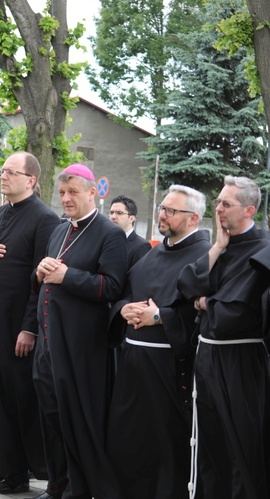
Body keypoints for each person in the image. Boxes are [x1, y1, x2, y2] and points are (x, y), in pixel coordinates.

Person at [107, 185, 211, 499]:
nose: (161, 214)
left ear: (193, 218)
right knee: (126, 442)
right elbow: (126, 291)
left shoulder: (205, 257)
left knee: (165, 446)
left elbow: (202, 310)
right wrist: (123, 309)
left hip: (170, 370)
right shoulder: (154, 251)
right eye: (161, 207)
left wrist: (160, 316)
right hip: (132, 366)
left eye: (170, 210)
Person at [0, 152, 59, 494]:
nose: (3, 176)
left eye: (10, 172)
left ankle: (19, 472)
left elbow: (42, 280)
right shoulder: (0, 212)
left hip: (15, 325)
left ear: (31, 180)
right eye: (2, 170)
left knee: (16, 398)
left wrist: (30, 327)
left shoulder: (44, 219)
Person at [33, 163, 127, 499]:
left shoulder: (109, 233)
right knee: (51, 416)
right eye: (62, 193)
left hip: (81, 346)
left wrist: (66, 276)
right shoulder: (60, 230)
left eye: (73, 192)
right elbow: (45, 279)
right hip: (49, 342)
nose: (66, 198)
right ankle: (56, 483)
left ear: (92, 193)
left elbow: (113, 287)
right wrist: (41, 271)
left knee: (76, 420)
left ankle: (80, 486)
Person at [177, 176, 270, 499]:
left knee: (240, 445)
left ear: (249, 210)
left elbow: (235, 313)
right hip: (208, 358)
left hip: (240, 362)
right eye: (217, 202)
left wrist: (206, 303)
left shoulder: (263, 249)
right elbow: (188, 285)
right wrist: (217, 247)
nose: (218, 209)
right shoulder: (221, 246)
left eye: (226, 204)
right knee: (210, 444)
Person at [109, 194, 151, 268]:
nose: (113, 217)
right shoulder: (105, 241)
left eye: (119, 213)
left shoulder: (141, 247)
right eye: (112, 213)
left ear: (131, 219)